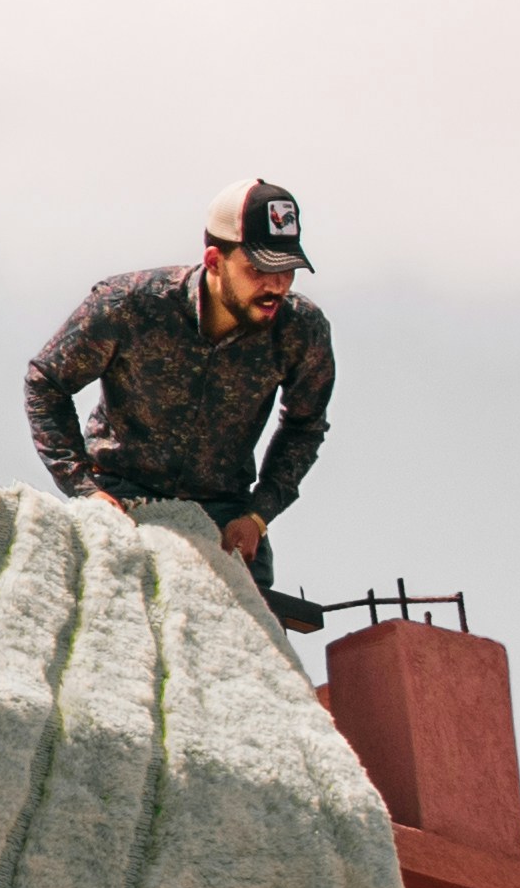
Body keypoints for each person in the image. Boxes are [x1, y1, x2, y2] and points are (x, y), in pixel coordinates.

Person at [25, 180, 335, 630]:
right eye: (259, 270)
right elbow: (46, 381)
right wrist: (85, 492)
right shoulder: (128, 305)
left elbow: (305, 425)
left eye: (287, 270)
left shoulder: (299, 330)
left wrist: (259, 514)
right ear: (215, 260)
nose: (276, 286)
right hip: (122, 499)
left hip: (226, 520)